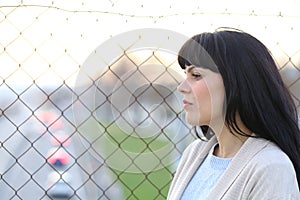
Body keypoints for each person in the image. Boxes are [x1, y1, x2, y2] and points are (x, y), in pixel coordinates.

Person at [167, 28, 300, 199]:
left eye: (196, 75)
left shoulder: (271, 167)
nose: (182, 87)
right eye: (185, 74)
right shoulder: (193, 154)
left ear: (236, 83)